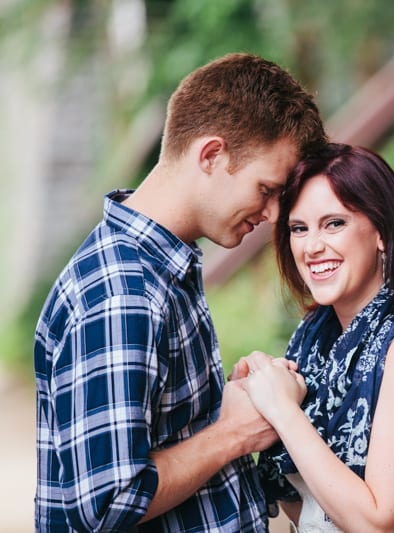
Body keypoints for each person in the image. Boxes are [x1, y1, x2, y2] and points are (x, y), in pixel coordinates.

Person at [33, 52, 326, 531]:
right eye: (266, 189)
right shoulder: (121, 293)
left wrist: (234, 403)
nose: (274, 215)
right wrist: (234, 431)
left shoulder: (163, 268)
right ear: (212, 155)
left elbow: (163, 438)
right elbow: (109, 503)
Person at [239, 143, 394, 532]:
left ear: (381, 232)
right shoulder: (315, 346)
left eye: (335, 224)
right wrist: (251, 401)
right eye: (299, 228)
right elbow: (305, 511)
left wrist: (281, 409)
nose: (312, 247)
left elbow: (379, 524)